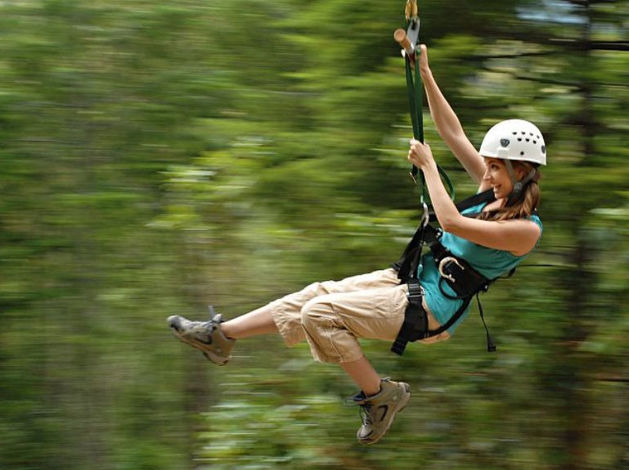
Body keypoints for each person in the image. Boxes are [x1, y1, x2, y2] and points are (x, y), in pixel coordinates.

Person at [167, 44, 545, 445]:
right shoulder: (492, 189)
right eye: (486, 164)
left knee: (320, 313)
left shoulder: (525, 230)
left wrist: (430, 168)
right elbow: (451, 131)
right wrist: (424, 75)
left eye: (495, 167)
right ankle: (221, 337)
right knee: (315, 295)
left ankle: (381, 396)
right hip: (408, 281)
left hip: (432, 308)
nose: (485, 173)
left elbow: (450, 219)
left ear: (520, 171)